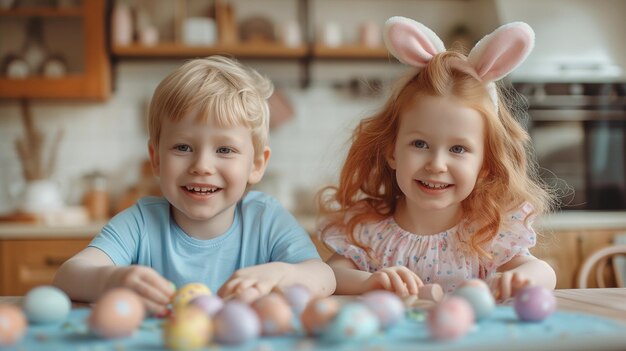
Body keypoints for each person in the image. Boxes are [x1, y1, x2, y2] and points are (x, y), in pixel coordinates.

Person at [54, 56, 336, 314]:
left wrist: (281, 275)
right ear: (156, 159)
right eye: (183, 147)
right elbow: (68, 275)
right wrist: (113, 279)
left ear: (257, 165)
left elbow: (324, 276)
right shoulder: (140, 222)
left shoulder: (266, 219)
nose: (202, 166)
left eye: (224, 150)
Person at [317, 17, 556, 301]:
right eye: (420, 143)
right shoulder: (368, 228)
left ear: (485, 165)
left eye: (458, 149)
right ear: (392, 151)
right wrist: (370, 282)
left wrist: (521, 278)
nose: (437, 164)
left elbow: (542, 272)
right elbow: (332, 275)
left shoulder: (487, 232)